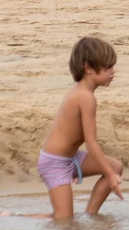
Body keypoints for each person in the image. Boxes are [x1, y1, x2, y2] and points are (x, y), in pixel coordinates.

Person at [37, 37, 123, 219]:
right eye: (108, 67)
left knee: (116, 167)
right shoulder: (85, 97)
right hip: (55, 163)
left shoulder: (83, 92)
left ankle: (90, 216)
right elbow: (91, 143)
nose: (113, 72)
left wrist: (110, 173)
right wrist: (110, 177)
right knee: (64, 219)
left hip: (71, 158)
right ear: (88, 68)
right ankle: (12, 217)